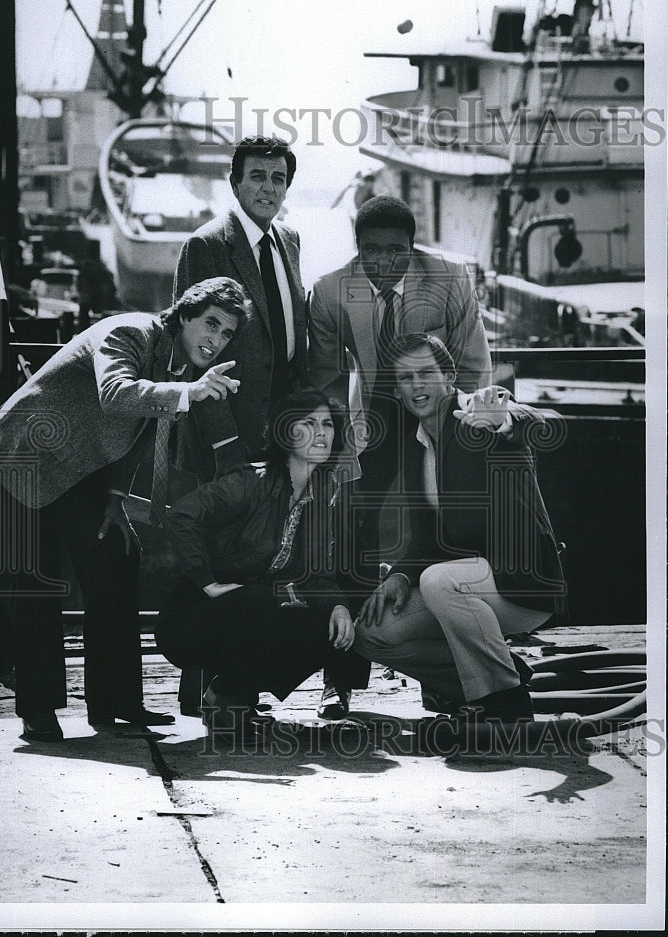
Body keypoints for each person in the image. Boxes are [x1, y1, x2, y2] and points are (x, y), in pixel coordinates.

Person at [0, 277, 251, 742]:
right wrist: (188, 394)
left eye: (226, 333)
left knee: (117, 559)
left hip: (80, 470)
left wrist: (115, 498)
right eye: (210, 323)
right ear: (184, 315)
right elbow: (116, 393)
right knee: (36, 582)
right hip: (22, 457)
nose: (216, 338)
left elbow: (139, 433)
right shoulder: (128, 332)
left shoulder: (179, 365)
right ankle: (38, 710)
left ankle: (116, 704)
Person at [308, 194, 493, 718]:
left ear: (413, 248)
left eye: (396, 252)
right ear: (356, 247)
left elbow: (475, 368)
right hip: (373, 424)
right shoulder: (329, 293)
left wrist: (459, 434)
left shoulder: (451, 279)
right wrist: (337, 444)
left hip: (439, 415)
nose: (385, 262)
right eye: (372, 252)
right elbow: (323, 383)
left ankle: (448, 679)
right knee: (352, 537)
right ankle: (338, 680)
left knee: (441, 536)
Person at [353, 333, 567, 727]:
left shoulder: (474, 413)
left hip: (520, 582)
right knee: (371, 631)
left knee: (438, 582)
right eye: (404, 377)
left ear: (448, 374)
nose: (416, 385)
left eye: (425, 373)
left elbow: (541, 422)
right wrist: (400, 575)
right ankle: (495, 672)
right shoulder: (416, 443)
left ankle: (505, 700)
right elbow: (429, 540)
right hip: (463, 586)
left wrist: (504, 419)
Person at [154, 389, 369, 739]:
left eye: (328, 424)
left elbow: (316, 576)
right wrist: (208, 582)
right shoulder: (251, 481)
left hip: (249, 611)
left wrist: (340, 607)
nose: (321, 432)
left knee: (326, 627)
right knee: (260, 599)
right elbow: (181, 516)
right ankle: (226, 699)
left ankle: (229, 698)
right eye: (308, 422)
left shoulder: (321, 494)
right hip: (193, 618)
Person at [173, 135, 309, 483]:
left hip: (281, 429)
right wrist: (224, 440)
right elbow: (191, 353)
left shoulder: (290, 241)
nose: (268, 187)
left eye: (278, 178)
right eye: (257, 176)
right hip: (226, 438)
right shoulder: (206, 245)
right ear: (236, 185)